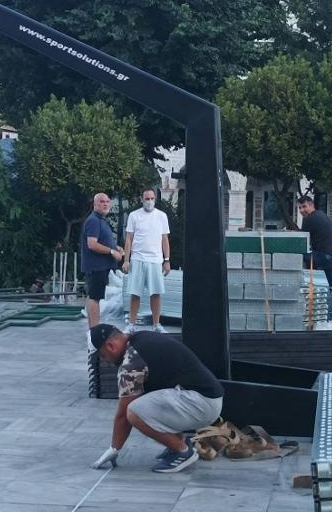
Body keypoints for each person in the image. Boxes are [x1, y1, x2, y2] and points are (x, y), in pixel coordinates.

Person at [87, 324, 224, 473]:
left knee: (133, 412)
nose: (104, 360)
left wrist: (114, 448)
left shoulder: (131, 363)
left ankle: (182, 451)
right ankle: (178, 443)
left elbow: (122, 416)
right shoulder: (140, 337)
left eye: (102, 355)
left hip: (201, 404)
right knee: (145, 401)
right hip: (206, 398)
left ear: (111, 346)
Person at [121, 188, 170, 333]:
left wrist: (167, 260)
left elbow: (165, 239)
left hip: (155, 260)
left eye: (152, 198)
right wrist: (126, 260)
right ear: (142, 199)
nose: (149, 201)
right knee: (135, 293)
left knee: (156, 293)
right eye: (147, 199)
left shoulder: (162, 216)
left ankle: (156, 325)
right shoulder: (134, 216)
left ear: (155, 199)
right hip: (137, 258)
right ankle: (132, 324)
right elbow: (129, 239)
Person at [298, 195, 332, 330]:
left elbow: (301, 240)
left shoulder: (310, 218)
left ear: (311, 205)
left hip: (327, 257)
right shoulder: (321, 215)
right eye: (300, 208)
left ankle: (296, 284)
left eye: (304, 207)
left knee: (296, 253)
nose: (302, 210)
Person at [81, 193, 124, 329]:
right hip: (96, 266)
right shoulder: (93, 220)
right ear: (95, 204)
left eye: (107, 201)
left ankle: (93, 330)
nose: (105, 204)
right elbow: (92, 244)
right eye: (101, 202)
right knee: (95, 298)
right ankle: (95, 331)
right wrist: (112, 252)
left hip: (100, 266)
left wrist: (116, 247)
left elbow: (102, 240)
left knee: (93, 297)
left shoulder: (101, 220)